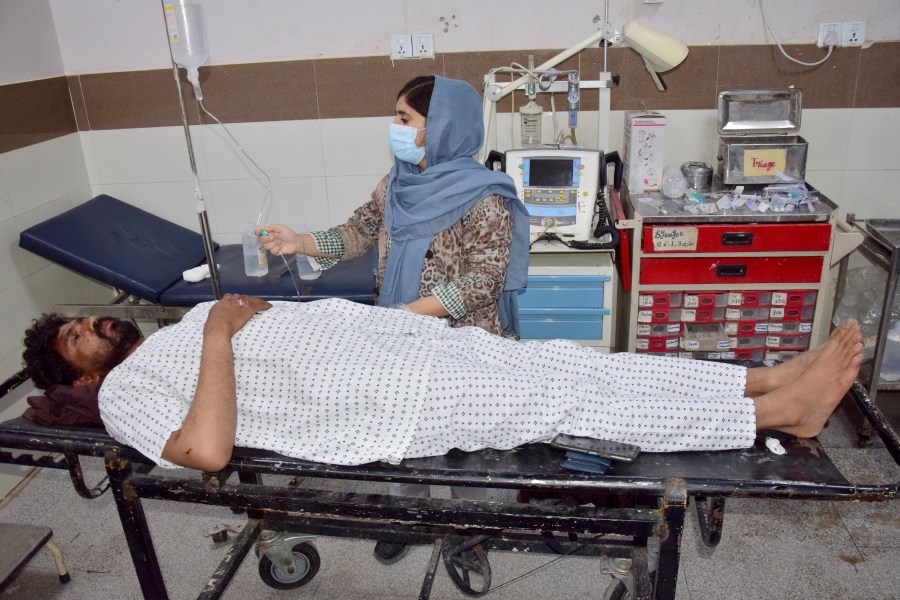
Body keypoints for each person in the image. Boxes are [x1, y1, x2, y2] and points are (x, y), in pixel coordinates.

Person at [24, 294, 862, 475]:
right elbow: (204, 449)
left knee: (579, 364)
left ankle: (760, 381)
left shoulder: (176, 323)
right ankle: (777, 415)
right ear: (76, 373)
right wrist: (216, 331)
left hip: (404, 351)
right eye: (76, 336)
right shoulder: (125, 393)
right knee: (570, 401)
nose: (94, 325)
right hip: (382, 403)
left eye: (87, 316)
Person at [256, 74, 531, 562]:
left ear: (442, 126)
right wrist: (299, 241)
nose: (395, 127)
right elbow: (358, 231)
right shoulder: (397, 182)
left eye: (405, 119)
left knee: (461, 448)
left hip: (459, 343)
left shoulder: (485, 196)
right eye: (396, 117)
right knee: (401, 434)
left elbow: (481, 281)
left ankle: (469, 534)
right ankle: (408, 519)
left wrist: (409, 315)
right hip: (398, 334)